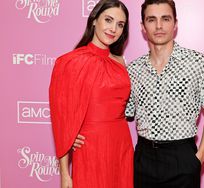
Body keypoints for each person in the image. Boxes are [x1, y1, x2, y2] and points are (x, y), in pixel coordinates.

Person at [74, 0, 204, 187]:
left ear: (175, 24)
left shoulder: (197, 62)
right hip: (143, 160)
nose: (159, 26)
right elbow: (114, 113)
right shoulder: (132, 69)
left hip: (182, 158)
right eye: (151, 20)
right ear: (143, 27)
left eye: (165, 19)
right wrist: (79, 131)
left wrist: (200, 157)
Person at [49, 0, 133, 187]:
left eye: (120, 25)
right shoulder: (70, 61)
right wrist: (65, 174)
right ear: (94, 20)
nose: (113, 29)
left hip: (121, 145)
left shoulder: (121, 62)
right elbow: (61, 117)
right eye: (108, 20)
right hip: (90, 147)